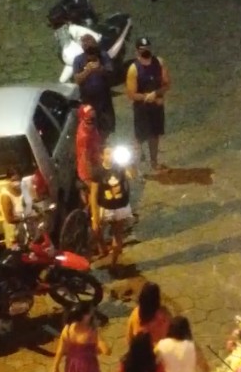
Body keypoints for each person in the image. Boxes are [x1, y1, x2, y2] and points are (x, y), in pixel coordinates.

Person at [124, 37, 171, 173]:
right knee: (139, 138)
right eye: (142, 49)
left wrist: (156, 94)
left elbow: (167, 84)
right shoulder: (134, 69)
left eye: (147, 48)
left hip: (156, 107)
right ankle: (135, 168)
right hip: (142, 109)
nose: (145, 51)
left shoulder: (159, 63)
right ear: (137, 51)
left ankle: (154, 163)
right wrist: (147, 97)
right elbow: (131, 94)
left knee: (155, 135)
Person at [90, 151, 133, 266]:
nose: (111, 156)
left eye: (112, 153)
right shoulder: (97, 171)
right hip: (104, 207)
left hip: (120, 206)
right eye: (108, 153)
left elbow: (132, 175)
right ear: (102, 156)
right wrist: (95, 216)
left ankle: (114, 261)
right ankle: (103, 249)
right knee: (96, 230)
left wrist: (128, 163)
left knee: (117, 235)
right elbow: (93, 194)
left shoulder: (120, 167)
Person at [72, 35, 117, 137]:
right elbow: (77, 80)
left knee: (106, 129)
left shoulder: (103, 56)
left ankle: (104, 143)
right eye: (87, 47)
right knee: (90, 130)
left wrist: (100, 69)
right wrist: (87, 71)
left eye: (92, 47)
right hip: (88, 102)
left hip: (104, 101)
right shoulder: (78, 60)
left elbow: (111, 73)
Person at [0, 170, 35, 250]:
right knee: (16, 251)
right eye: (13, 180)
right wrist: (24, 218)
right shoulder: (6, 195)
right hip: (13, 230)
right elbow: (9, 219)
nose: (17, 182)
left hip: (25, 226)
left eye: (18, 179)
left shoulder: (24, 189)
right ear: (8, 180)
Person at [75, 103, 105, 197]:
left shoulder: (90, 128)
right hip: (88, 172)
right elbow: (86, 160)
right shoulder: (85, 137)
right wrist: (93, 178)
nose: (92, 123)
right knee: (97, 195)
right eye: (89, 120)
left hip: (96, 163)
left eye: (94, 119)